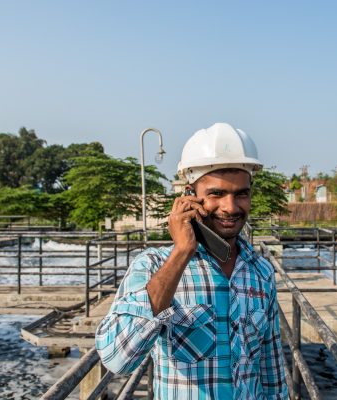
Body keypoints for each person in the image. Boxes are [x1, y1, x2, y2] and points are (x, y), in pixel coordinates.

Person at [95, 122, 288, 399]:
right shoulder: (152, 266)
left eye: (241, 194)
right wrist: (182, 253)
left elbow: (271, 370)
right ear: (189, 196)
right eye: (216, 194)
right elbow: (117, 359)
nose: (231, 207)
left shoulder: (261, 272)